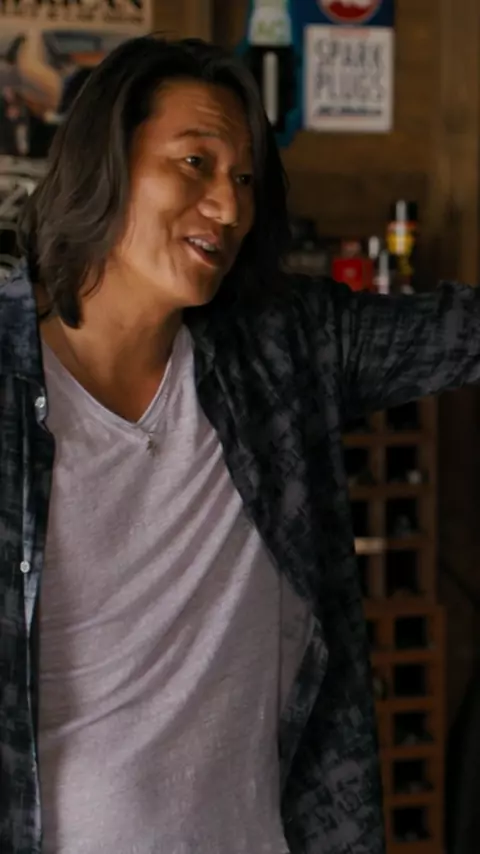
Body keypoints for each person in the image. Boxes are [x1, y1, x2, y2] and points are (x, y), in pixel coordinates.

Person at [1, 34, 480, 854]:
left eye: (245, 179)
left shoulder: (277, 353)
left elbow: (463, 331)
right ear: (104, 163)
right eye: (195, 163)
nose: (227, 207)